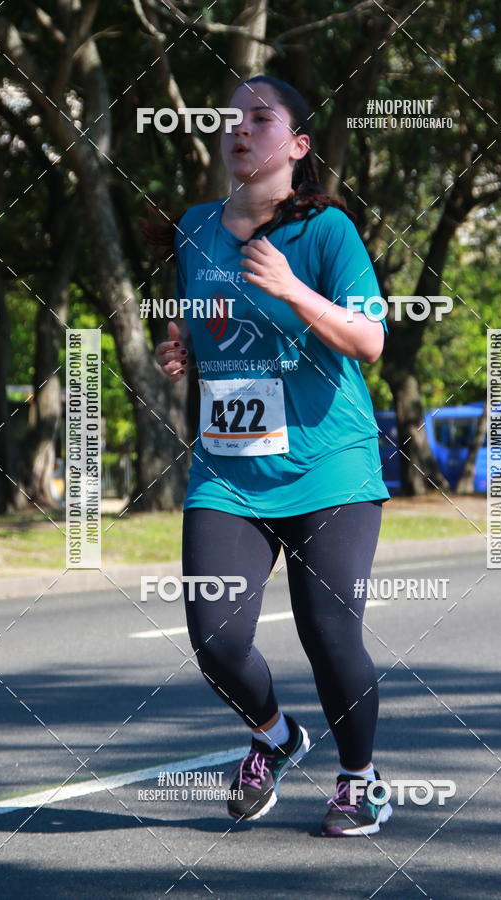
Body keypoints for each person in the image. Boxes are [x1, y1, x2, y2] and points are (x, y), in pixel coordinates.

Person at [152, 74, 392, 837]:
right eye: (230, 118)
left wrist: (293, 289)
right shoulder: (195, 228)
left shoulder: (327, 232)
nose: (239, 129)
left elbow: (370, 339)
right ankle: (274, 736)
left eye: (260, 118)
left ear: (297, 145)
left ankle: (361, 779)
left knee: (329, 633)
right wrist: (185, 346)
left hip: (331, 465)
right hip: (230, 469)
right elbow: (207, 320)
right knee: (216, 639)